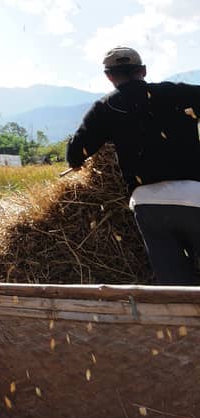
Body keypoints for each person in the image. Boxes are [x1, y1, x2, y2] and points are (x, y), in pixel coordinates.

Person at [65, 46, 200, 285]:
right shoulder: (177, 93)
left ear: (109, 76)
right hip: (195, 197)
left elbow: (76, 154)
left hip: (149, 205)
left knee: (174, 284)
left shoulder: (105, 107)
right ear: (143, 70)